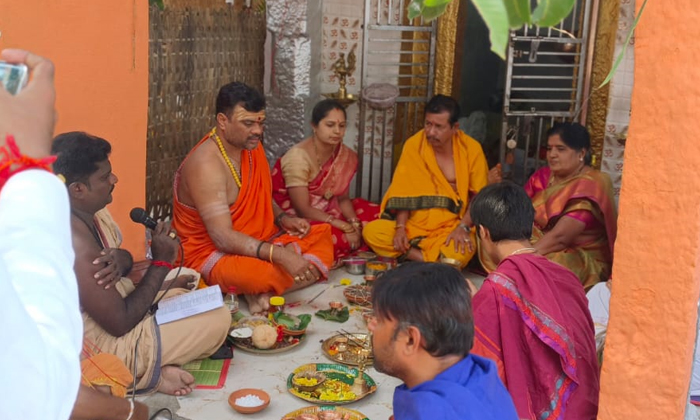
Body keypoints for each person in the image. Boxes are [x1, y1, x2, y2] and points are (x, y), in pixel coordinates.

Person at [0, 48, 147, 420]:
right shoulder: (43, 215)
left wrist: (129, 260)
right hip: (93, 344)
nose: (113, 180)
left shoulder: (51, 207)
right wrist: (133, 412)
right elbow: (45, 384)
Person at [52, 131, 231, 396]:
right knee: (218, 317)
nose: (114, 180)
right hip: (100, 347)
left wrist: (123, 259)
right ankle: (139, 377)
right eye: (104, 177)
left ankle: (155, 366)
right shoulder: (73, 243)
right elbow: (119, 324)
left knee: (188, 278)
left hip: (115, 307)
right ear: (78, 189)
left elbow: (119, 267)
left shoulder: (91, 212)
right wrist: (160, 263)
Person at [172, 82, 333, 314]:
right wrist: (280, 255)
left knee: (322, 236)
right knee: (263, 273)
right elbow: (223, 237)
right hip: (211, 253)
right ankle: (258, 286)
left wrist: (283, 218)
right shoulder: (206, 165)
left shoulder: (251, 147)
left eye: (260, 122)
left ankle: (259, 292)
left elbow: (261, 195)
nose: (257, 130)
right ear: (222, 121)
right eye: (248, 123)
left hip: (256, 241)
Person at [469, 182, 599, 420]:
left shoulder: (497, 288)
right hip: (585, 407)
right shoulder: (567, 278)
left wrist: (472, 308)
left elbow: (481, 371)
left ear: (483, 233)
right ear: (529, 226)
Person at [368, 262, 518, 420]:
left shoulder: (431, 412)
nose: (371, 325)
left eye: (379, 320)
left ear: (411, 340)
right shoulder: (479, 372)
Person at [362, 94, 495, 269]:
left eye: (439, 127)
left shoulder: (471, 150)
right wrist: (400, 228)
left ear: (455, 127)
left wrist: (462, 227)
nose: (431, 132)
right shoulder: (414, 145)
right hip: (414, 226)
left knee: (459, 254)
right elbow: (403, 192)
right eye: (428, 124)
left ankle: (414, 257)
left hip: (451, 227)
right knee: (372, 232)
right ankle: (436, 262)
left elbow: (478, 196)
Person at [480, 122, 617, 289]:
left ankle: (515, 272)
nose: (552, 154)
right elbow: (516, 213)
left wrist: (522, 257)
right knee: (489, 236)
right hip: (538, 242)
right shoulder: (543, 176)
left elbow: (561, 237)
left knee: (551, 264)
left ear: (581, 153)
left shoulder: (593, 183)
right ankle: (514, 270)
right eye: (550, 148)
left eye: (560, 149)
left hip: (578, 255)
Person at [272, 99, 380, 263]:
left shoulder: (345, 155)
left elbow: (343, 199)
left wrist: (355, 225)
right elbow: (303, 209)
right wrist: (344, 226)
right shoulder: (298, 157)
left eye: (342, 126)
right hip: (297, 214)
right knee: (331, 235)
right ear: (314, 126)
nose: (337, 131)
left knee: (375, 215)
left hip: (331, 207)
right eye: (330, 125)